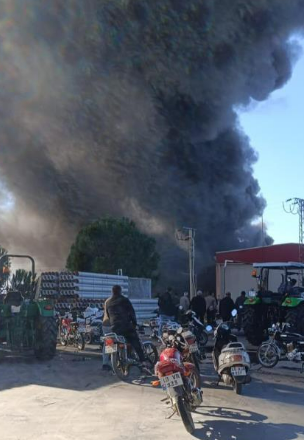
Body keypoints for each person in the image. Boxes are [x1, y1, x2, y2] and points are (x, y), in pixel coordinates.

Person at [103, 284, 146, 363]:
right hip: (126, 326)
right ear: (120, 291)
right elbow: (132, 312)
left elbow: (108, 315)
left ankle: (108, 362)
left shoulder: (108, 302)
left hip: (114, 328)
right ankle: (143, 361)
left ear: (112, 292)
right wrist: (134, 323)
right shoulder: (124, 300)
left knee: (112, 343)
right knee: (135, 341)